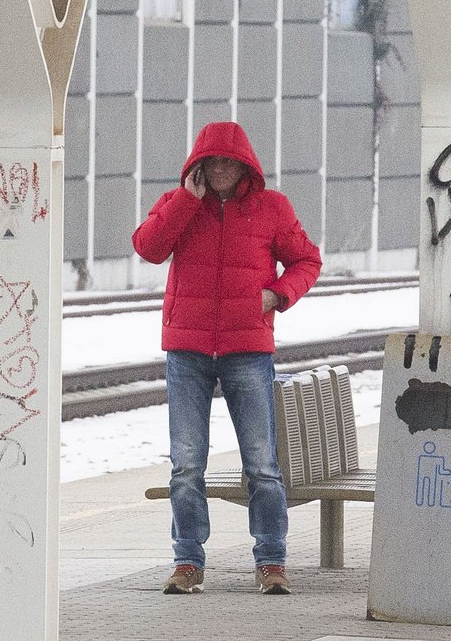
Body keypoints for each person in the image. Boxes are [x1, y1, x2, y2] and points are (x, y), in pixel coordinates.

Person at [132, 121, 322, 596]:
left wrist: (278, 296)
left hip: (247, 350)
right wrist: (186, 201)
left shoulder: (271, 208)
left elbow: (307, 260)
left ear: (244, 165)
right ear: (199, 164)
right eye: (211, 161)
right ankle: (188, 561)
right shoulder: (181, 203)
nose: (220, 168)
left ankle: (272, 561)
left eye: (228, 161)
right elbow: (148, 248)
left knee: (261, 464)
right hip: (188, 351)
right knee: (186, 464)